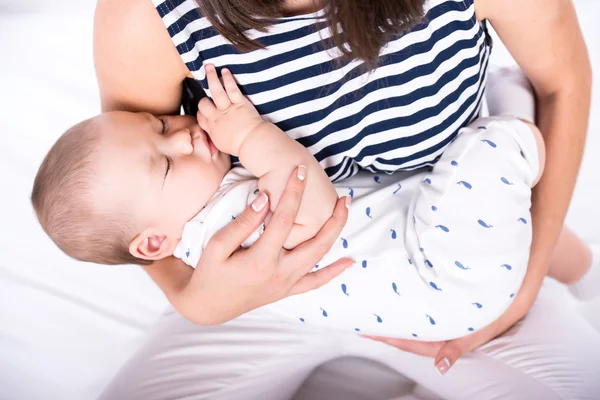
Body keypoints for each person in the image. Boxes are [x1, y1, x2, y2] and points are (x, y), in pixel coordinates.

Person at [94, 0, 599, 397]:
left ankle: (564, 257)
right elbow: (124, 204)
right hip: (262, 295)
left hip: (442, 246)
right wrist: (193, 298)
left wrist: (524, 285)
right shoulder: (148, 16)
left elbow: (563, 83)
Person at [37, 64, 583, 341]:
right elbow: (316, 212)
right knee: (493, 145)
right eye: (166, 162)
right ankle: (521, 131)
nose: (181, 135)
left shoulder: (200, 221)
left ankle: (581, 268)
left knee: (494, 183)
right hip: (439, 272)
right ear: (155, 240)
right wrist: (249, 136)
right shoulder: (224, 231)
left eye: (160, 124)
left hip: (434, 260)